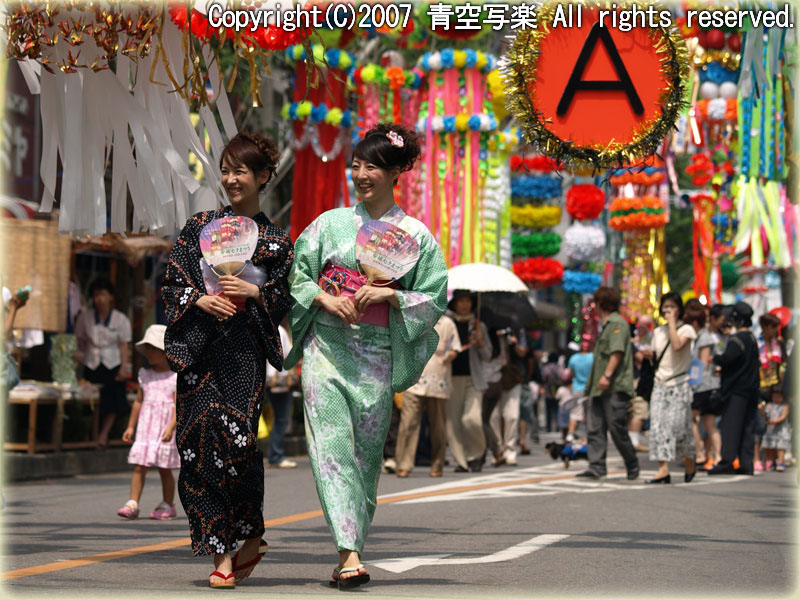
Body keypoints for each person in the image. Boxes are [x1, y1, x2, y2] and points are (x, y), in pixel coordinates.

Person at [285, 123, 448, 589]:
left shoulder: (416, 234)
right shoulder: (329, 224)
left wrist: (392, 297)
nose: (360, 173)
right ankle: (350, 553)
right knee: (331, 449)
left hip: (376, 353)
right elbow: (296, 278)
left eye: (372, 165)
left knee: (366, 458)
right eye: (356, 164)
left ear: (397, 171)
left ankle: (351, 544)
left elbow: (434, 295)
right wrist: (322, 298)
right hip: (327, 349)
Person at [161, 132, 293, 587]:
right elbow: (171, 283)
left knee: (237, 446)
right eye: (226, 169)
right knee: (197, 448)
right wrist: (199, 299)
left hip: (242, 355)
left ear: (261, 177)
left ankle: (251, 535)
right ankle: (220, 554)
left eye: (241, 171)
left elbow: (285, 298)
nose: (231, 179)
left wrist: (256, 291)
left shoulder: (275, 241)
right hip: (201, 352)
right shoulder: (199, 227)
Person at [577, 287, 639, 481]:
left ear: (600, 303)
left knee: (616, 428)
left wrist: (607, 375)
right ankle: (596, 467)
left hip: (614, 386)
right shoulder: (605, 325)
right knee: (595, 427)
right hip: (599, 387)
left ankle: (632, 464)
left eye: (594, 302)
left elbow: (617, 352)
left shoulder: (617, 323)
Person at [118, 324, 179, 520]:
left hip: (164, 429)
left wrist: (171, 426)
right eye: (148, 349)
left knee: (164, 468)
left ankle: (168, 504)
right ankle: (133, 502)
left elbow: (179, 406)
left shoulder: (175, 377)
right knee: (139, 465)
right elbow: (138, 401)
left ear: (164, 352)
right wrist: (130, 426)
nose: (149, 353)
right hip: (145, 428)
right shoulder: (145, 375)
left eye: (153, 348)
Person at [395, 313, 461, 478]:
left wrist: (450, 356)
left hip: (438, 377)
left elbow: (455, 347)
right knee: (408, 422)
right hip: (414, 377)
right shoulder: (414, 318)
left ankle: (437, 463)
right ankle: (403, 463)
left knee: (438, 425)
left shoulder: (447, 323)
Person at [74, 278, 132, 450]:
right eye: (96, 295)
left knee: (112, 398)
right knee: (89, 400)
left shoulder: (120, 319)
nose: (99, 299)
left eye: (103, 295)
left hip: (112, 363)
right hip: (91, 362)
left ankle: (103, 434)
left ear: (110, 297)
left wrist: (123, 367)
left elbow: (123, 345)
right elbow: (79, 340)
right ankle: (88, 434)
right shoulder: (85, 317)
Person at [646, 292, 697, 484]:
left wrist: (673, 323)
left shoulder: (687, 330)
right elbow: (656, 356)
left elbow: (677, 346)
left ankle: (690, 458)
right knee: (658, 426)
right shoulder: (658, 332)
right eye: (665, 306)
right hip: (660, 383)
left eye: (672, 307)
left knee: (679, 427)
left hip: (679, 383)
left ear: (679, 309)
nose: (668, 310)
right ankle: (662, 469)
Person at [708, 302, 760, 476]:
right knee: (747, 428)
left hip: (736, 390)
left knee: (731, 426)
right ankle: (746, 463)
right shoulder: (751, 338)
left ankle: (727, 462)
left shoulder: (737, 340)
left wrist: (715, 358)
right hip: (751, 390)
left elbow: (727, 359)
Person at [447, 290, 492, 473]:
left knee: (471, 419)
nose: (464, 304)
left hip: (474, 378)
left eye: (467, 301)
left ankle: (476, 454)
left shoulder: (478, 325)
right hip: (451, 377)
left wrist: (481, 343)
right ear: (455, 303)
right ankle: (461, 460)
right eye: (460, 301)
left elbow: (488, 355)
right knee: (453, 423)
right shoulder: (447, 323)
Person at [687, 303, 722, 471]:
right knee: (709, 424)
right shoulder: (702, 336)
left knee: (691, 419)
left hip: (703, 386)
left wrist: (692, 384)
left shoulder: (704, 337)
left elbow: (702, 363)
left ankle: (701, 452)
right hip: (706, 385)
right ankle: (714, 456)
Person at [755, 313, 785, 471]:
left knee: (776, 424)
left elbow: (783, 364)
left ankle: (772, 458)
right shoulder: (757, 343)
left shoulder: (779, 344)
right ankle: (757, 458)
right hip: (760, 387)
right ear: (765, 327)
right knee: (760, 424)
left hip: (775, 389)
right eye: (774, 327)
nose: (775, 331)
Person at [266, 319, 298, 469]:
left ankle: (275, 455)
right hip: (281, 380)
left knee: (277, 419)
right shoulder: (280, 330)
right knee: (282, 420)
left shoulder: (265, 327)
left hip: (269, 380)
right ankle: (276, 456)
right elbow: (287, 355)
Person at [565, 339, 594, 443]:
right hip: (589, 388)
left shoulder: (574, 358)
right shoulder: (592, 357)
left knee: (575, 412)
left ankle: (570, 434)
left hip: (577, 388)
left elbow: (570, 374)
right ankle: (587, 435)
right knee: (589, 413)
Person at [761, 384, 791, 471]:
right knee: (770, 446)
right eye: (775, 396)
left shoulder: (785, 406)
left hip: (781, 429)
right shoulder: (769, 405)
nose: (776, 397)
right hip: (770, 429)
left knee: (781, 447)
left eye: (779, 396)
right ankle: (772, 462)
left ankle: (780, 462)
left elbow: (783, 416)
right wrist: (761, 410)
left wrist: (774, 421)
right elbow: (765, 415)